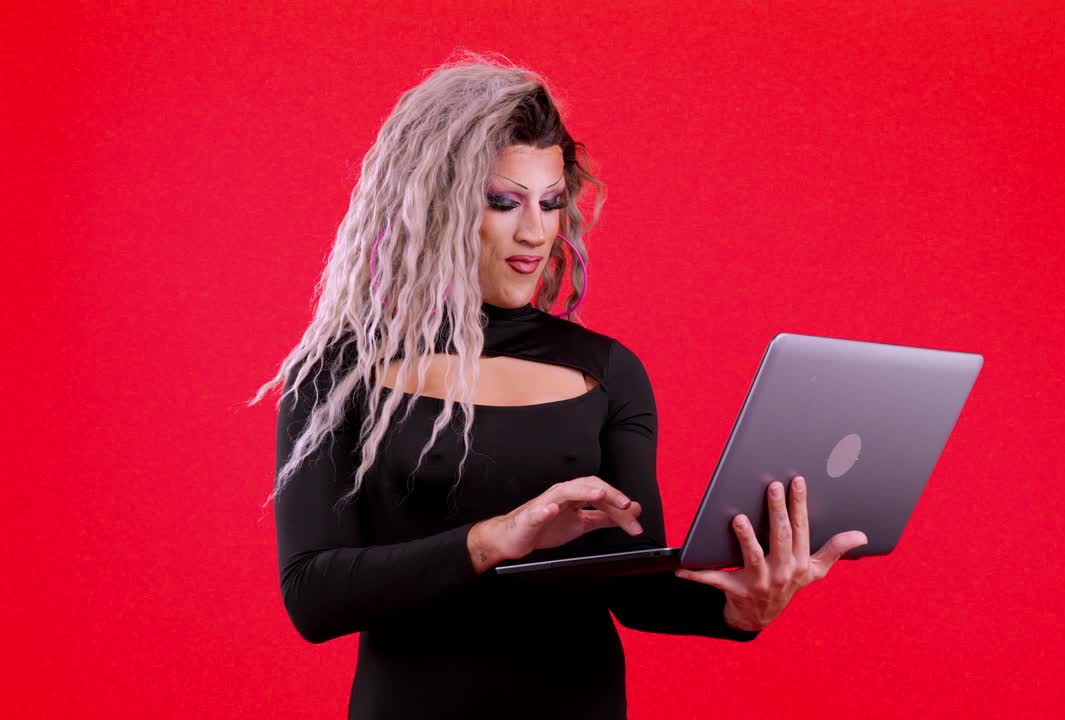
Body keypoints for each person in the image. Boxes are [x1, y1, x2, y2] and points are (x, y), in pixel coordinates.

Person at [250, 51, 869, 719]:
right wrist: (496, 538)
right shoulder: (338, 375)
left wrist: (740, 606)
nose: (536, 231)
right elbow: (312, 597)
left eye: (550, 202)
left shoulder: (606, 371)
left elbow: (636, 592)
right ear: (433, 205)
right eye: (503, 202)